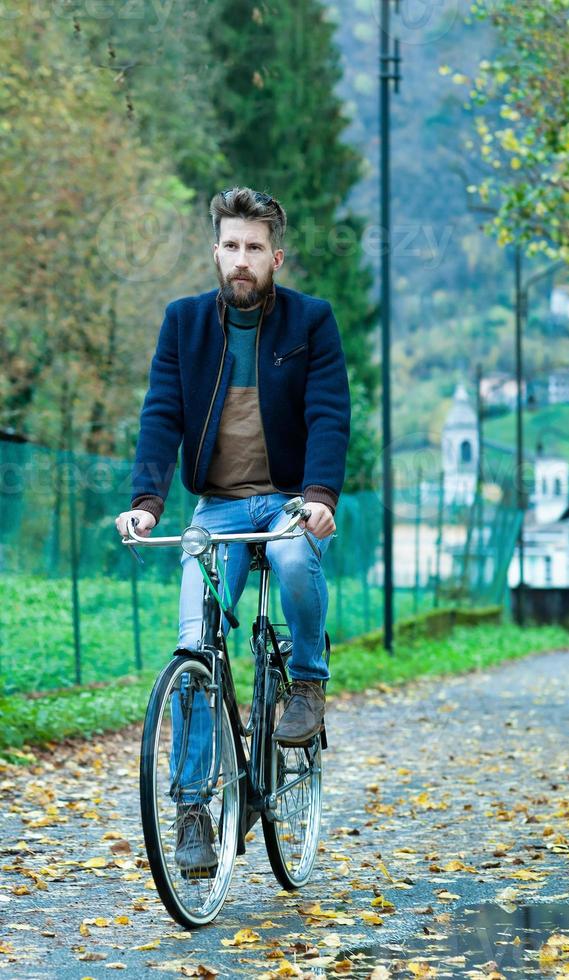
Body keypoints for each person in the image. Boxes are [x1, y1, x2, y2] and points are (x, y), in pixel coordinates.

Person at [115, 187, 350, 754]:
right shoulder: (183, 323)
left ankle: (309, 679)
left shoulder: (312, 321)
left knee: (294, 554)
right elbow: (162, 414)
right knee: (195, 646)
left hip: (288, 501)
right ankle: (192, 810)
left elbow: (328, 414)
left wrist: (320, 496)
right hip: (217, 507)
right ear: (215, 253)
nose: (241, 258)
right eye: (230, 245)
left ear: (276, 258)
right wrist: (146, 503)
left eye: (253, 246)